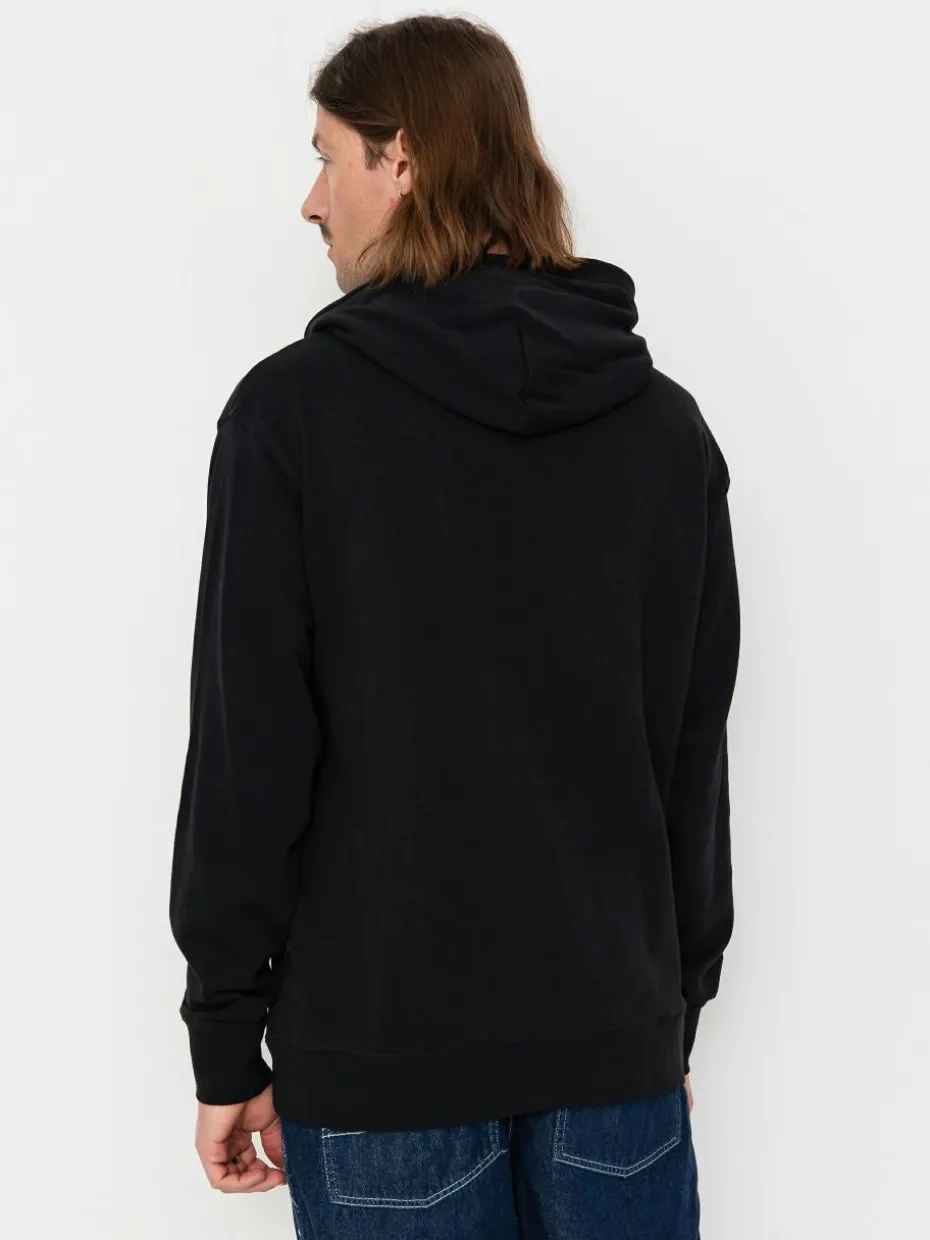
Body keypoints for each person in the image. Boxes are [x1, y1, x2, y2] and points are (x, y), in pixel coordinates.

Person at [168, 14, 740, 1239]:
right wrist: (667, 1018)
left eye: (328, 158)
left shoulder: (291, 419)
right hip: (616, 1056)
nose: (311, 202)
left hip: (386, 1065)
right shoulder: (664, 431)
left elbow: (249, 759)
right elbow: (692, 757)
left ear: (405, 160)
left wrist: (223, 1034)